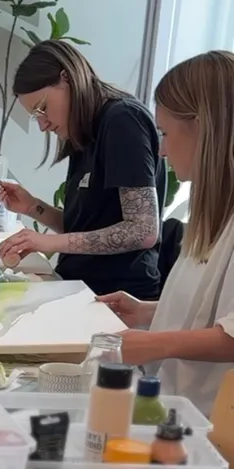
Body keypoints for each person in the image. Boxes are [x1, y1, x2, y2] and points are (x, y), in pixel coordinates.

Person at [98, 51, 234, 416]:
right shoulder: (215, 214)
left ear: (203, 127)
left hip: (212, 427)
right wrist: (148, 312)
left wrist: (156, 343)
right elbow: (219, 312)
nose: (161, 149)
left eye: (165, 132)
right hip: (178, 408)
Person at [0, 40, 166, 298]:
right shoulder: (84, 130)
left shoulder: (122, 121)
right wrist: (33, 207)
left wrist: (48, 242)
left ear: (67, 79)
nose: (42, 125)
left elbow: (143, 231)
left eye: (42, 108)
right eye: (35, 116)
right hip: (79, 287)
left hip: (118, 298)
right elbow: (84, 230)